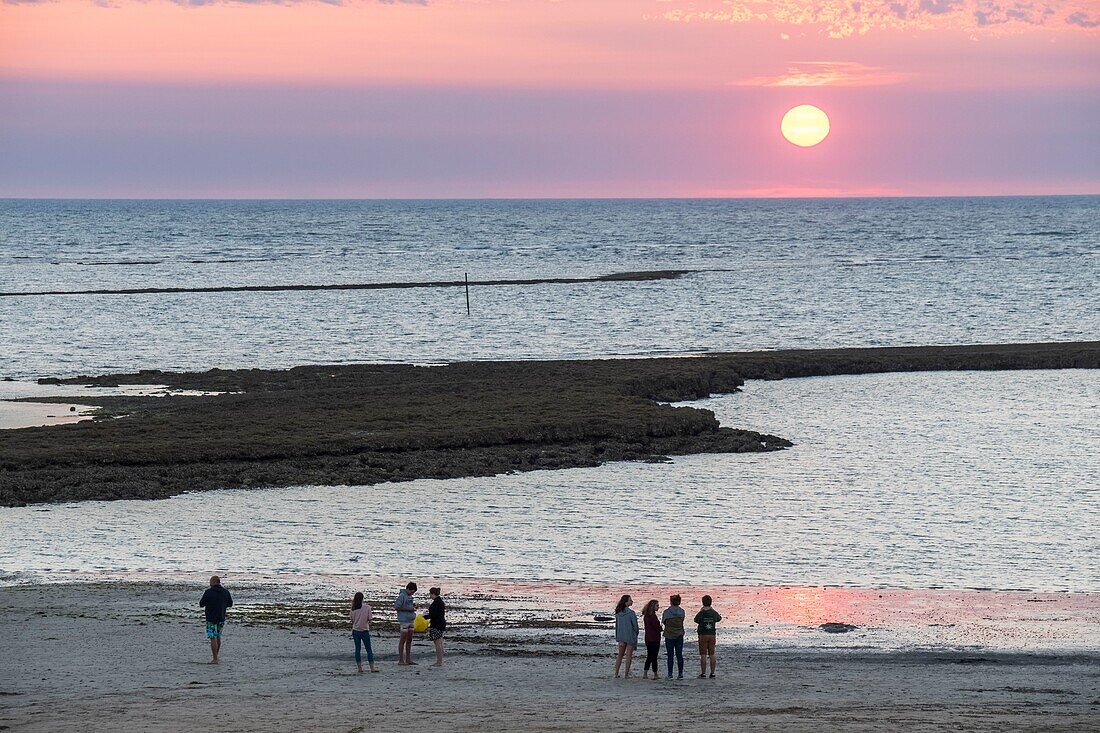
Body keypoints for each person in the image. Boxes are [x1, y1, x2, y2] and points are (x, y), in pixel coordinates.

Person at [199, 575, 232, 665]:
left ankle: (215, 659)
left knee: (213, 637)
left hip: (211, 618)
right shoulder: (225, 592)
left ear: (213, 582)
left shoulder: (209, 592)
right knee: (218, 636)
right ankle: (216, 656)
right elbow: (230, 604)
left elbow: (201, 604)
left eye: (210, 582)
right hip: (221, 616)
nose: (209, 584)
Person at [694, 594, 722, 678]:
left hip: (703, 634)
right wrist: (712, 610)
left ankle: (703, 673)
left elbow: (696, 620)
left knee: (703, 654)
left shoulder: (702, 613)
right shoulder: (713, 612)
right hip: (712, 634)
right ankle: (712, 673)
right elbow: (719, 618)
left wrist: (701, 611)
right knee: (712, 654)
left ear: (703, 603)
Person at [350, 592, 378, 674]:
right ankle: (372, 668)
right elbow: (370, 619)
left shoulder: (353, 608)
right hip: (364, 630)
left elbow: (352, 620)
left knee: (357, 649)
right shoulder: (367, 607)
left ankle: (359, 668)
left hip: (356, 630)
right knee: (368, 649)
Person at [613, 594, 638, 678]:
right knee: (628, 656)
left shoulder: (618, 613)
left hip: (621, 636)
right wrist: (636, 633)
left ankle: (616, 673)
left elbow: (617, 625)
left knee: (620, 655)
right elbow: (635, 626)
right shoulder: (631, 613)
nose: (632, 601)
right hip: (630, 636)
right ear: (626, 602)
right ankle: (626, 674)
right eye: (630, 600)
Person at [663, 594, 686, 679]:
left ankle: (670, 674)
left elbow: (664, 622)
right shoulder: (682, 612)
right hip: (679, 634)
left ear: (671, 602)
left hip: (669, 635)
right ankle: (680, 674)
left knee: (670, 655)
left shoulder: (666, 612)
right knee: (679, 654)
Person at [422, 587, 447, 667]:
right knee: (440, 642)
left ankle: (439, 662)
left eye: (430, 594)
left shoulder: (437, 603)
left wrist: (425, 616)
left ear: (433, 594)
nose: (429, 595)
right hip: (440, 623)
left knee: (437, 643)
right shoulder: (439, 602)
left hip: (437, 624)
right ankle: (440, 661)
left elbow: (434, 614)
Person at [394, 582, 417, 665]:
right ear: (408, 589)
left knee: (409, 640)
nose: (412, 594)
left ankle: (408, 659)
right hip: (404, 620)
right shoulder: (402, 596)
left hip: (411, 620)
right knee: (402, 640)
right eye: (412, 592)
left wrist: (413, 606)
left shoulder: (410, 597)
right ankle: (401, 660)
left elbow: (408, 606)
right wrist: (409, 609)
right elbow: (396, 607)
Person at [640, 599, 662, 680]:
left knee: (649, 656)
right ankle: (655, 674)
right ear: (653, 607)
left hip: (648, 638)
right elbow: (656, 627)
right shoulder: (652, 616)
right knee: (654, 656)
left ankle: (645, 673)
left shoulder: (646, 616)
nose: (658, 607)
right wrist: (660, 628)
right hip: (654, 638)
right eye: (657, 605)